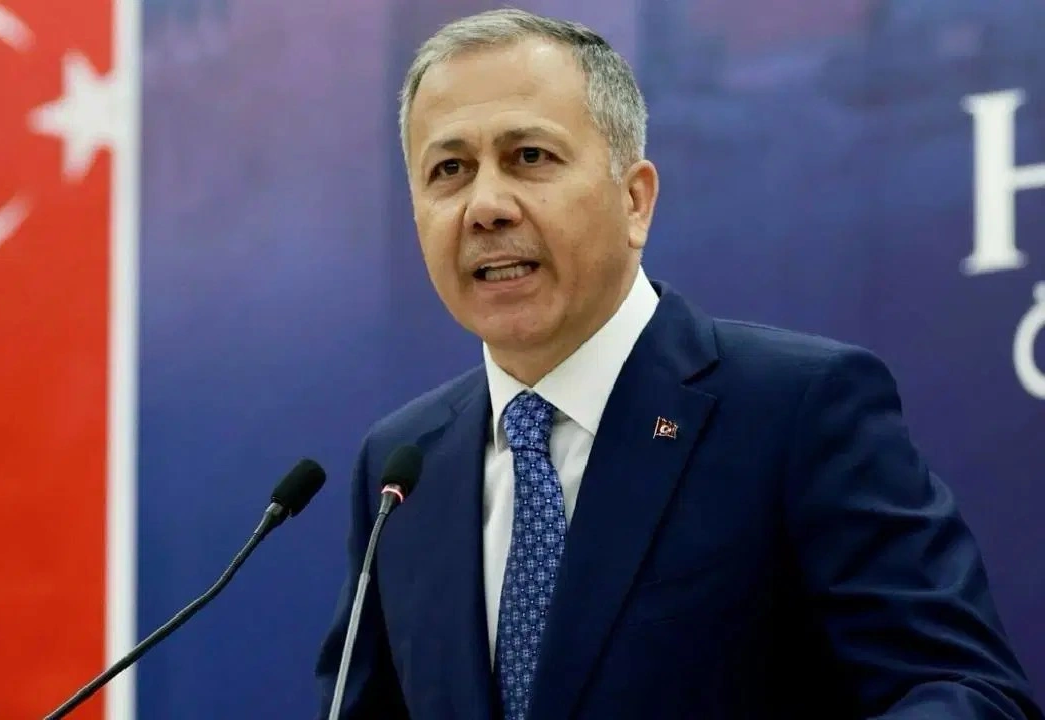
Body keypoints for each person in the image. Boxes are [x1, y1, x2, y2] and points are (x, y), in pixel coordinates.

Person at [314, 8, 1041, 720]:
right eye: (449, 169)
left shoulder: (796, 409)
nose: (486, 206)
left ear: (635, 200)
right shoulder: (404, 467)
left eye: (529, 157)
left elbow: (966, 692)